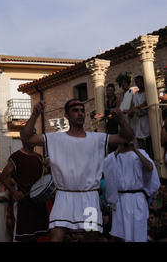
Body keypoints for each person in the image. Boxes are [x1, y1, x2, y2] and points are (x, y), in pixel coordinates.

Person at [21, 99, 134, 242]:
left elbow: (128, 136)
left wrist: (120, 118)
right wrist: (35, 114)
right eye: (75, 110)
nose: (80, 113)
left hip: (90, 197)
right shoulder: (55, 138)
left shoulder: (97, 138)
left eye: (82, 110)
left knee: (90, 239)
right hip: (63, 195)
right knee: (56, 238)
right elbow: (26, 138)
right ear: (66, 115)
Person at [104, 141, 160, 242]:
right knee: (120, 232)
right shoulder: (113, 156)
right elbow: (107, 169)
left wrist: (135, 150)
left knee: (138, 230)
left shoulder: (141, 153)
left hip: (137, 198)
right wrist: (117, 151)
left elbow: (150, 167)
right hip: (121, 199)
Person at [1, 132, 50, 242]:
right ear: (23, 139)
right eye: (30, 136)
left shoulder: (39, 157)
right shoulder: (16, 156)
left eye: (34, 136)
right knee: (22, 236)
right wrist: (14, 192)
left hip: (38, 202)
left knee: (37, 235)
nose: (33, 139)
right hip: (23, 201)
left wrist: (50, 165)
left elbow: (46, 175)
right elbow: (3, 177)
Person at [131, 76, 151, 156]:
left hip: (147, 116)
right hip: (139, 118)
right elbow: (133, 104)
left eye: (140, 81)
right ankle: (144, 154)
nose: (139, 83)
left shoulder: (147, 91)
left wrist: (136, 107)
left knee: (149, 137)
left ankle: (150, 154)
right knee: (139, 137)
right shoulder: (135, 94)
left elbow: (146, 102)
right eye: (137, 82)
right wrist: (132, 110)